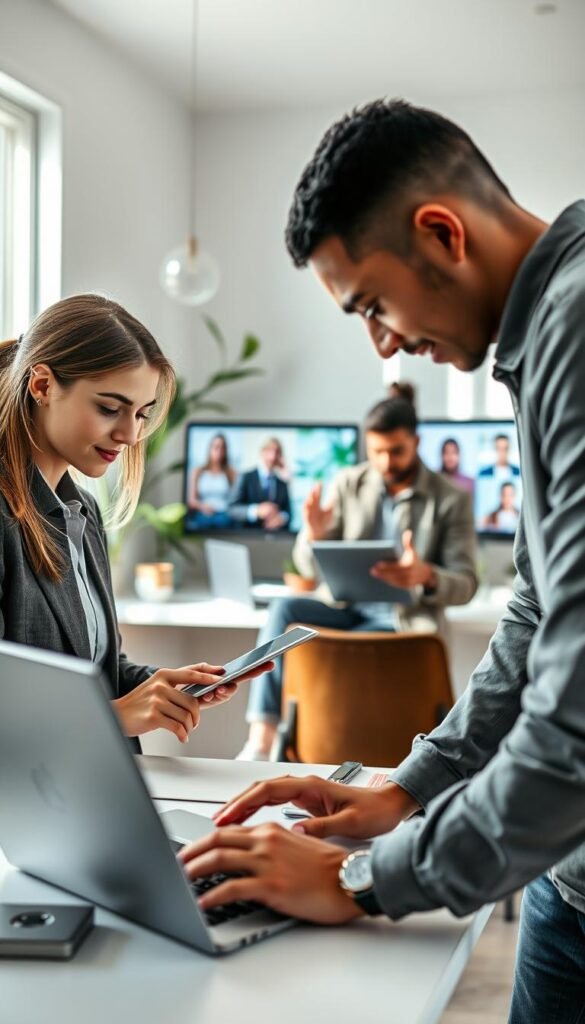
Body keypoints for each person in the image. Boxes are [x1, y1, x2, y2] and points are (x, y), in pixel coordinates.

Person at [179, 99, 585, 1021]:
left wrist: (362, 880)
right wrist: (403, 791)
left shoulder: (577, 323)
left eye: (370, 305)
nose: (385, 346)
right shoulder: (540, 338)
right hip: (568, 881)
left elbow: (574, 717)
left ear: (439, 233)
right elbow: (535, 609)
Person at [0, 294, 271, 748]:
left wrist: (161, 688)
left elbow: (96, 672)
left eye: (141, 414)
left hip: (86, 785)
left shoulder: (82, 515)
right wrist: (116, 716)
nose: (129, 434)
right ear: (42, 386)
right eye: (110, 408)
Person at [237, 396, 478, 761]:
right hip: (344, 608)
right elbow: (306, 568)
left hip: (404, 622)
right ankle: (261, 737)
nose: (385, 462)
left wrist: (425, 575)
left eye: (396, 451)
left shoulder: (450, 499)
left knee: (342, 656)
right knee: (283, 609)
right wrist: (313, 536)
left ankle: (343, 748)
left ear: (416, 441)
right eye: (377, 451)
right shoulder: (349, 483)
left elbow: (466, 584)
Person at [228, 437, 291, 530]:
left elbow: (288, 512)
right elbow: (232, 509)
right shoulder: (246, 477)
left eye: (277, 452)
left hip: (275, 537)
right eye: (270, 450)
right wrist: (256, 511)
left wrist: (282, 518)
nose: (273, 456)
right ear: (262, 452)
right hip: (249, 535)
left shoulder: (282, 483)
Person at [187, 432, 237, 529]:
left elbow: (235, 500)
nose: (219, 451)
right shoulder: (198, 472)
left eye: (222, 448)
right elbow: (191, 500)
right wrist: (203, 506)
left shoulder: (232, 473)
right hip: (203, 512)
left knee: (225, 521)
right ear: (210, 449)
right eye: (216, 447)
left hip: (224, 514)